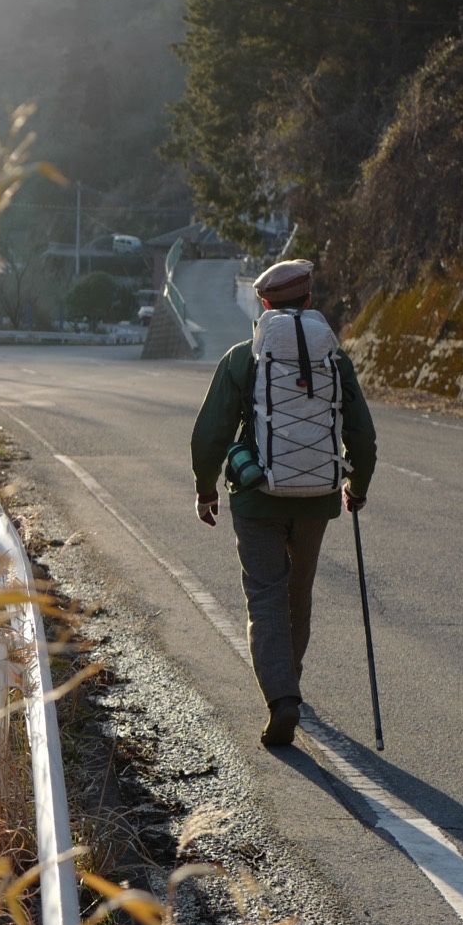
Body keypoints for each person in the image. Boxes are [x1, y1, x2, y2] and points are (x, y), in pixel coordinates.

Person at [189, 258, 377, 748]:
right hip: (316, 497)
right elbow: (361, 432)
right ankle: (289, 679)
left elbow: (211, 432)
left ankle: (281, 698)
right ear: (309, 301)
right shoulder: (334, 359)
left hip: (257, 499)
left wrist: (205, 487)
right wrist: (356, 484)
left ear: (264, 304)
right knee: (298, 593)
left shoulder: (243, 358)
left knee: (265, 596)